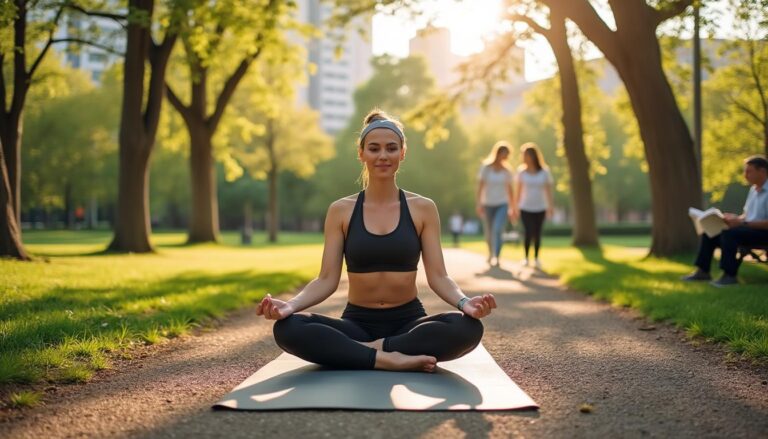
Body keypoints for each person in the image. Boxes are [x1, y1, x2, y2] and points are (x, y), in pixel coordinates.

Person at [256, 109, 497, 372]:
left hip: (409, 323)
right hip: (356, 324)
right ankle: (387, 358)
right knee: (288, 328)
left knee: (467, 327)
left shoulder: (423, 208)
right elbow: (326, 279)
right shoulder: (341, 210)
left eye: (391, 148)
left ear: (402, 153)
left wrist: (465, 303)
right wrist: (289, 306)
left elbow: (439, 276)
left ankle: (369, 352)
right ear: (361, 153)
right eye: (374, 148)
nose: (383, 155)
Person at [683, 155, 768, 287]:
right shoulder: (753, 190)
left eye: (749, 171)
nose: (745, 175)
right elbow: (747, 215)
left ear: (762, 171)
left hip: (763, 234)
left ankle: (729, 276)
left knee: (730, 234)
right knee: (711, 230)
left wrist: (742, 223)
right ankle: (703, 271)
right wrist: (734, 219)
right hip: (748, 230)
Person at [513, 143, 554, 269]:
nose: (525, 157)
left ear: (533, 156)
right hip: (525, 207)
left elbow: (548, 191)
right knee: (528, 231)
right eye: (523, 155)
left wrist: (550, 207)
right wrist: (515, 207)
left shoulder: (544, 172)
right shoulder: (521, 172)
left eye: (527, 155)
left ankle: (536, 258)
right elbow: (518, 191)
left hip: (540, 207)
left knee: (537, 232)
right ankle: (526, 258)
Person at [475, 141, 515, 267]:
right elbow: (480, 187)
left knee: (498, 229)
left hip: (502, 203)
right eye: (505, 154)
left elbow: (510, 190)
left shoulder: (507, 171)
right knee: (488, 231)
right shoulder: (486, 168)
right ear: (498, 153)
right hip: (487, 204)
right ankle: (490, 253)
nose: (506, 157)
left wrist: (513, 207)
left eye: (508, 155)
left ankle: (497, 256)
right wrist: (479, 203)